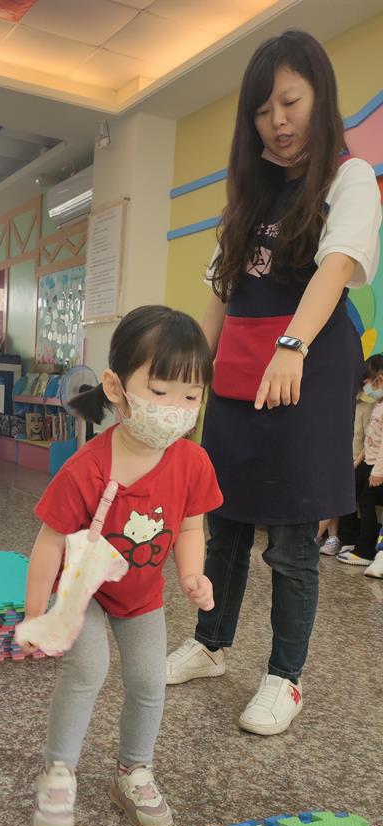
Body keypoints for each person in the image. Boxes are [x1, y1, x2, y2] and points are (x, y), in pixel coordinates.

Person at [166, 30, 381, 736]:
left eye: (290, 101)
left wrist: (292, 345)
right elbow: (221, 293)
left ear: (320, 96)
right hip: (239, 372)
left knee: (290, 541)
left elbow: (338, 267)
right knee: (223, 522)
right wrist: (187, 380)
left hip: (305, 372)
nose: (278, 121)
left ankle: (286, 679)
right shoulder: (251, 194)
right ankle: (210, 643)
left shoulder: (349, 178)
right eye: (263, 110)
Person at [19, 306, 222, 826]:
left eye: (191, 396)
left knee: (150, 680)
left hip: (142, 595)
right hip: (82, 591)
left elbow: (191, 526)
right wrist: (36, 614)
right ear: (116, 388)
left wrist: (193, 575)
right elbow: (48, 543)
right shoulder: (86, 468)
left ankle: (133, 771)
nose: (175, 409)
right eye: (159, 391)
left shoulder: (192, 463)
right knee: (88, 670)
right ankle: (58, 775)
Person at [316, 363, 377, 556]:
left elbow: (368, 440)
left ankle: (315, 536)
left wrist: (355, 463)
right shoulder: (337, 408)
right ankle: (332, 536)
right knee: (329, 493)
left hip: (356, 461)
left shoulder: (367, 408)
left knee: (337, 494)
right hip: (336, 459)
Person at [337, 355, 383, 566]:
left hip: (377, 467)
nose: (367, 389)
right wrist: (358, 462)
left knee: (366, 503)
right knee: (352, 494)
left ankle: (365, 551)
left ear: (379, 380)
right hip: (369, 462)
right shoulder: (378, 404)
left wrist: (378, 471)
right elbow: (371, 439)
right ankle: (352, 541)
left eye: (368, 383)